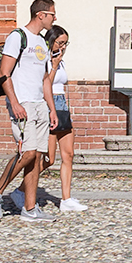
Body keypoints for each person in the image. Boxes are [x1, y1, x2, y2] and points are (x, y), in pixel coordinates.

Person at [0, 0, 56, 223]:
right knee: (27, 153)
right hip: (22, 102)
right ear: (40, 15)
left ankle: (30, 208)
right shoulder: (17, 37)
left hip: (39, 105)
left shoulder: (42, 41)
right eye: (52, 14)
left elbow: (44, 79)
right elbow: (4, 73)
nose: (55, 18)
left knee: (37, 157)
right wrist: (14, 102)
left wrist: (51, 109)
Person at [43, 24, 85, 213]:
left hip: (62, 104)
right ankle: (23, 189)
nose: (63, 47)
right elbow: (45, 84)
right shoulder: (43, 59)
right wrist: (52, 66)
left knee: (68, 154)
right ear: (50, 41)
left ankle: (66, 198)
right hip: (48, 104)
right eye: (60, 42)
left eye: (66, 43)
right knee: (49, 158)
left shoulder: (61, 60)